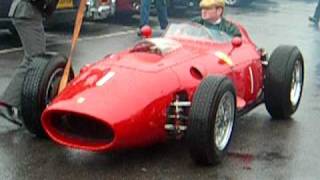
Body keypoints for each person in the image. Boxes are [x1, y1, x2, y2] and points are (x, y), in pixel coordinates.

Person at [0, 0, 53, 125]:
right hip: (27, 12)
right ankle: (6, 102)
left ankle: (20, 105)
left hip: (27, 12)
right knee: (34, 59)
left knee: (35, 59)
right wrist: (46, 7)